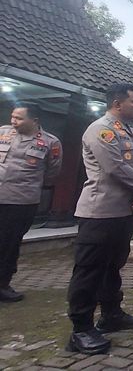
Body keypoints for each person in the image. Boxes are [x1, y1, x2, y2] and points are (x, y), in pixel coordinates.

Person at [66, 84, 133, 355]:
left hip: (124, 210)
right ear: (117, 104)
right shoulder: (100, 130)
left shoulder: (129, 131)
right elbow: (114, 167)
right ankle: (80, 329)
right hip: (100, 212)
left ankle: (111, 315)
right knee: (89, 270)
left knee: (112, 267)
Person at [0, 102, 62, 303]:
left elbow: (52, 173)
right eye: (12, 116)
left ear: (34, 120)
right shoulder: (3, 132)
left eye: (18, 118)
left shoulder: (50, 143)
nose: (13, 121)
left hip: (21, 201)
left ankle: (2, 285)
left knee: (9, 244)